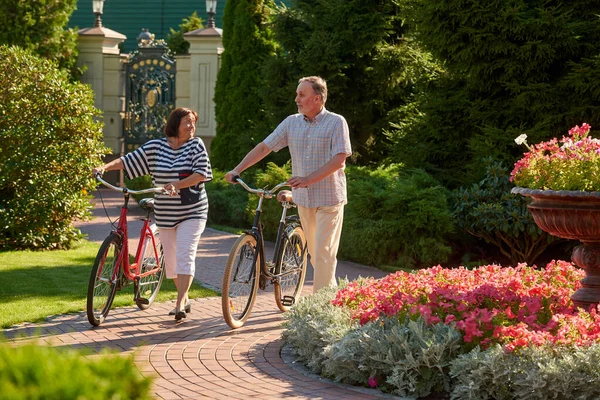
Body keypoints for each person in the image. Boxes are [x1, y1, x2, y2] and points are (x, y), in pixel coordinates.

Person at [225, 76, 351, 293]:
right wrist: (238, 169)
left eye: (301, 95)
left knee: (323, 254)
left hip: (329, 199)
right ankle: (332, 298)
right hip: (304, 200)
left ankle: (319, 307)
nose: (296, 99)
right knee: (316, 255)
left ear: (317, 98)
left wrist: (307, 179)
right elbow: (265, 147)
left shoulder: (336, 122)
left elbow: (339, 160)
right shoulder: (291, 122)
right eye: (297, 94)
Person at [93, 107, 212, 321]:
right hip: (166, 213)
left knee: (185, 254)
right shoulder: (157, 146)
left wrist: (177, 184)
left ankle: (179, 304)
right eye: (188, 121)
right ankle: (184, 298)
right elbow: (128, 160)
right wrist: (105, 167)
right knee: (173, 263)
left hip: (192, 211)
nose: (192, 126)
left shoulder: (196, 145)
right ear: (175, 124)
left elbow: (200, 174)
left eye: (193, 122)